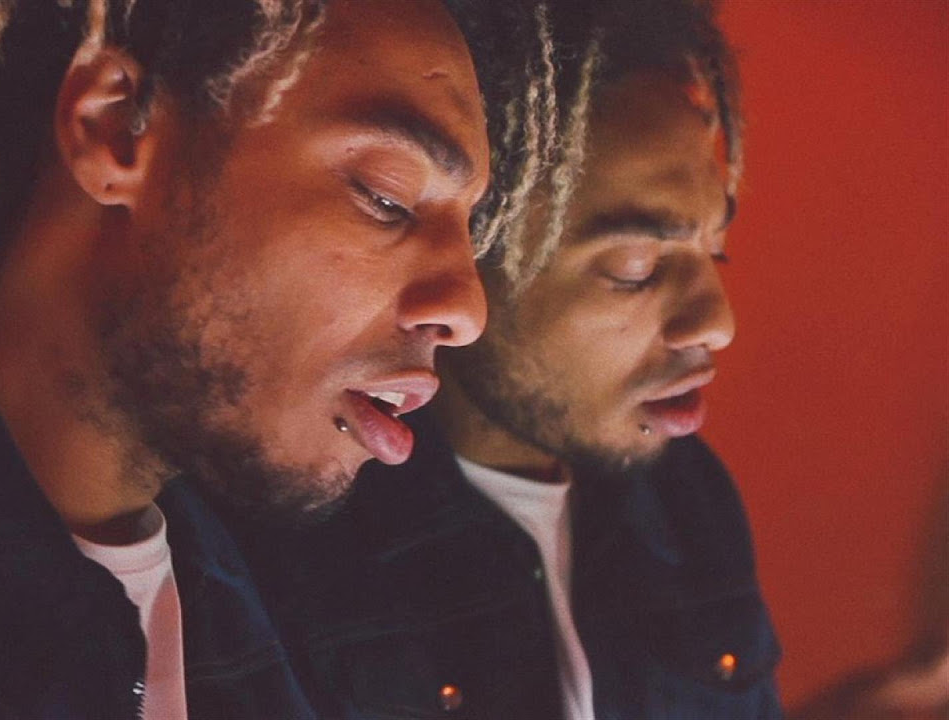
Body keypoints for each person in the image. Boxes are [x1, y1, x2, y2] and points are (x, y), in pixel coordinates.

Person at [0, 0, 499, 717]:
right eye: (387, 198)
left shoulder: (319, 607)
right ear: (113, 130)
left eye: (474, 231)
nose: (467, 309)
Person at [227, 0, 783, 717]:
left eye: (715, 250)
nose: (717, 323)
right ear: (471, 255)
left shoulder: (685, 500)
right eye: (637, 268)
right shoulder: (295, 529)